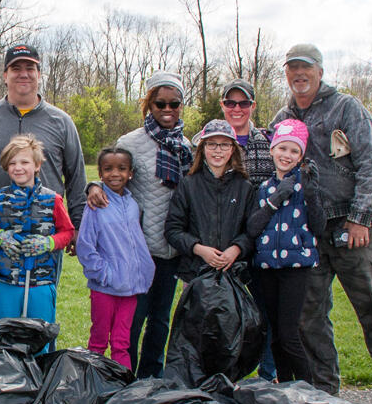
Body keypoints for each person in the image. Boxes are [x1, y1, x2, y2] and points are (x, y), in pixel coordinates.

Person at [271, 43, 372, 404]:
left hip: (350, 228)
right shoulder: (283, 118)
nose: (299, 74)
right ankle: (327, 391)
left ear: (320, 71)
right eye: (292, 68)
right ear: (286, 73)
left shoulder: (346, 107)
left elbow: (370, 164)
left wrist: (360, 218)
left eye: (306, 68)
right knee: (310, 316)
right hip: (309, 233)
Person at [0, 43, 87, 302]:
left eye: (30, 68)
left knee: (38, 310)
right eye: (16, 68)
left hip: (43, 236)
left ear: (40, 75)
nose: (23, 73)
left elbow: (76, 178)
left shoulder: (61, 121)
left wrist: (77, 227)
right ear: (5, 75)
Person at [87, 71, 192, 378]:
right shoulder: (130, 141)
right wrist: (92, 185)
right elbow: (113, 174)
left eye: (175, 103)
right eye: (160, 103)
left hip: (170, 248)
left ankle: (151, 378)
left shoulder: (185, 144)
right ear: (149, 104)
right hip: (136, 251)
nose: (168, 109)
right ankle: (125, 376)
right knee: (133, 320)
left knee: (160, 320)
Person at [245, 119, 325, 382]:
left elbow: (319, 226)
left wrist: (311, 193)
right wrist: (275, 199)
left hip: (295, 268)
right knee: (276, 333)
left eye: (294, 151)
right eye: (282, 148)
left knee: (290, 333)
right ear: (272, 150)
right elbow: (253, 227)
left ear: (301, 156)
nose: (286, 156)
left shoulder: (305, 184)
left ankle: (307, 389)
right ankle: (286, 386)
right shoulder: (265, 188)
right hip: (267, 267)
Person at [0, 134, 75, 326]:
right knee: (3, 336)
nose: (18, 167)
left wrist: (48, 243)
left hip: (40, 281)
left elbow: (67, 232)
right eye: (12, 163)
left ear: (37, 165)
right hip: (6, 280)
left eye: (25, 162)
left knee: (39, 336)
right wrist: (0, 236)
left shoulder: (53, 199)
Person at [219, 77, 277, 381]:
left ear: (252, 106)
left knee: (265, 313)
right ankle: (226, 378)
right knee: (225, 316)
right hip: (223, 245)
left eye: (243, 103)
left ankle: (267, 377)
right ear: (223, 106)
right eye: (231, 102)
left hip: (263, 244)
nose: (237, 108)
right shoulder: (207, 141)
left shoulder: (268, 143)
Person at [76, 147, 155, 369]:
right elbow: (85, 245)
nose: (115, 174)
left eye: (121, 169)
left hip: (130, 289)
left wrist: (144, 271)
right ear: (100, 173)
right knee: (99, 340)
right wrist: (104, 274)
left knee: (122, 343)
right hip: (104, 288)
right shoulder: (95, 205)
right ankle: (94, 384)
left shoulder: (132, 205)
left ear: (130, 173)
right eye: (108, 169)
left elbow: (136, 243)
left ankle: (123, 388)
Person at [163, 119, 256, 284]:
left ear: (233, 149)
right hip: (196, 274)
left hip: (233, 274)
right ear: (202, 148)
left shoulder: (244, 187)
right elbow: (173, 230)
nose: (218, 151)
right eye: (212, 144)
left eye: (224, 145)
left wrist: (236, 249)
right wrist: (199, 249)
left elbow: (252, 231)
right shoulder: (189, 184)